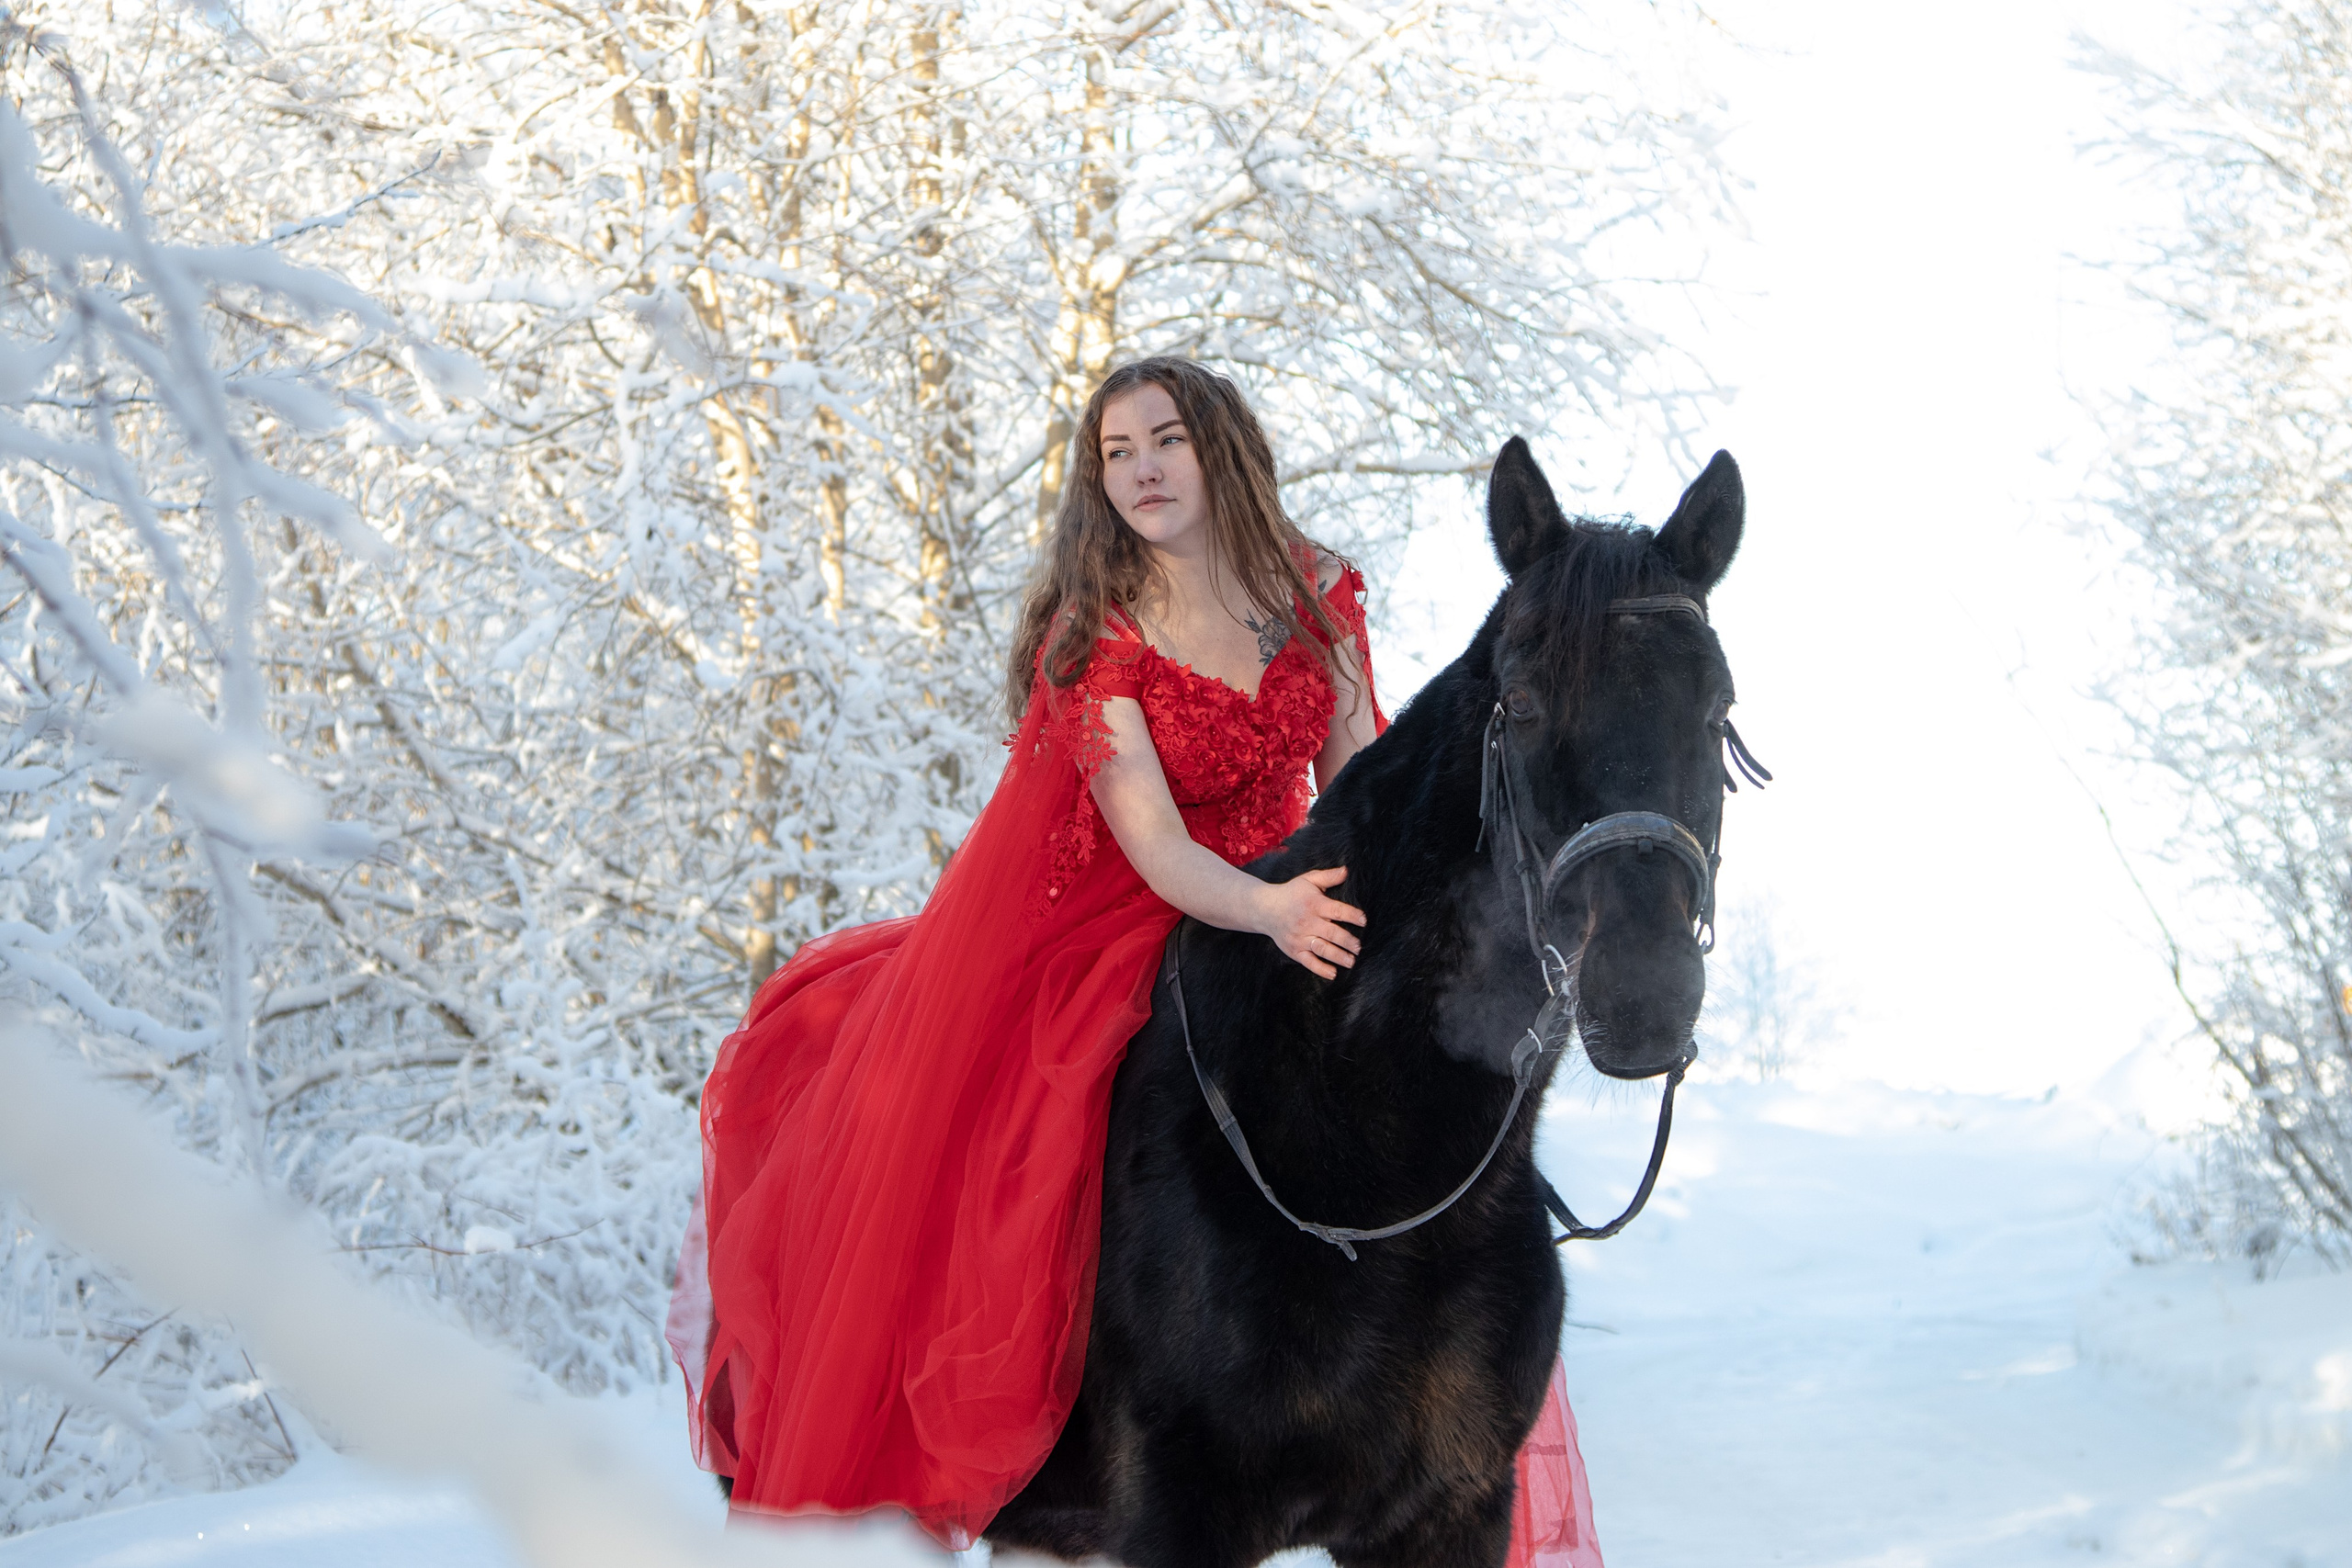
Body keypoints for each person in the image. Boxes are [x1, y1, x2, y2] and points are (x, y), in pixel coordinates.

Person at [667, 357, 1603, 1566]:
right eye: (1117, 453)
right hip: (1126, 921)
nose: (1144, 469)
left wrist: (1399, 919)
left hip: (1292, 904)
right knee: (1041, 1136)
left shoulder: (1314, 594)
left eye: (1165, 440)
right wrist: (1267, 914)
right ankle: (1072, 1415)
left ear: (1220, 450)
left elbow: (1359, 773)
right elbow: (1154, 844)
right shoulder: (1097, 630)